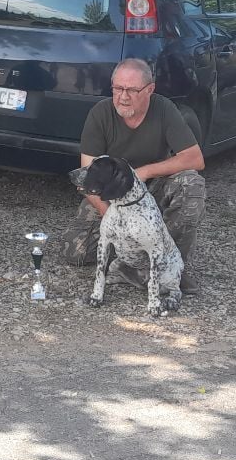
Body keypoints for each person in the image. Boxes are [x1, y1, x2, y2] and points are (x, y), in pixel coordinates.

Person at [61, 58, 205, 293]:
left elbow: (195, 159)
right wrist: (116, 219)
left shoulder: (165, 109)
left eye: (131, 90)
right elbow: (87, 180)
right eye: (117, 88)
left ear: (150, 90)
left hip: (152, 191)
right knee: (74, 253)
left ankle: (171, 266)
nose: (123, 96)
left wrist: (144, 172)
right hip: (113, 198)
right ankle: (133, 263)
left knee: (191, 185)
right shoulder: (100, 113)